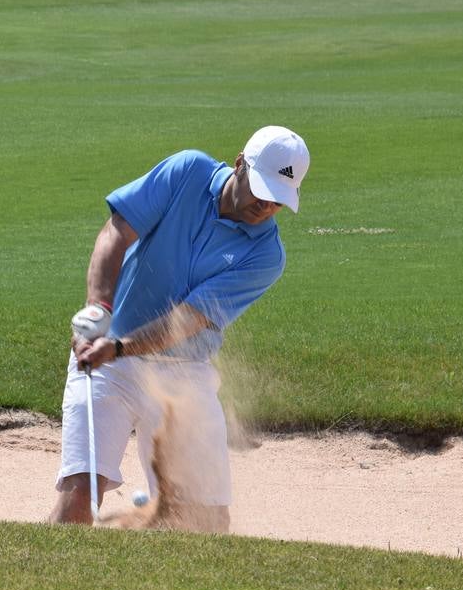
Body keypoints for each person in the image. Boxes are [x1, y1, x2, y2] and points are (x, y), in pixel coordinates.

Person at [48, 126, 311, 532]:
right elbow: (117, 231)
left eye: (278, 198)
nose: (266, 204)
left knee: (205, 524)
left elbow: (187, 319)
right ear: (240, 162)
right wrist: (98, 309)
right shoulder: (187, 171)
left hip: (182, 375)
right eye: (261, 188)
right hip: (108, 361)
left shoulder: (266, 256)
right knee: (77, 502)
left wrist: (118, 347)